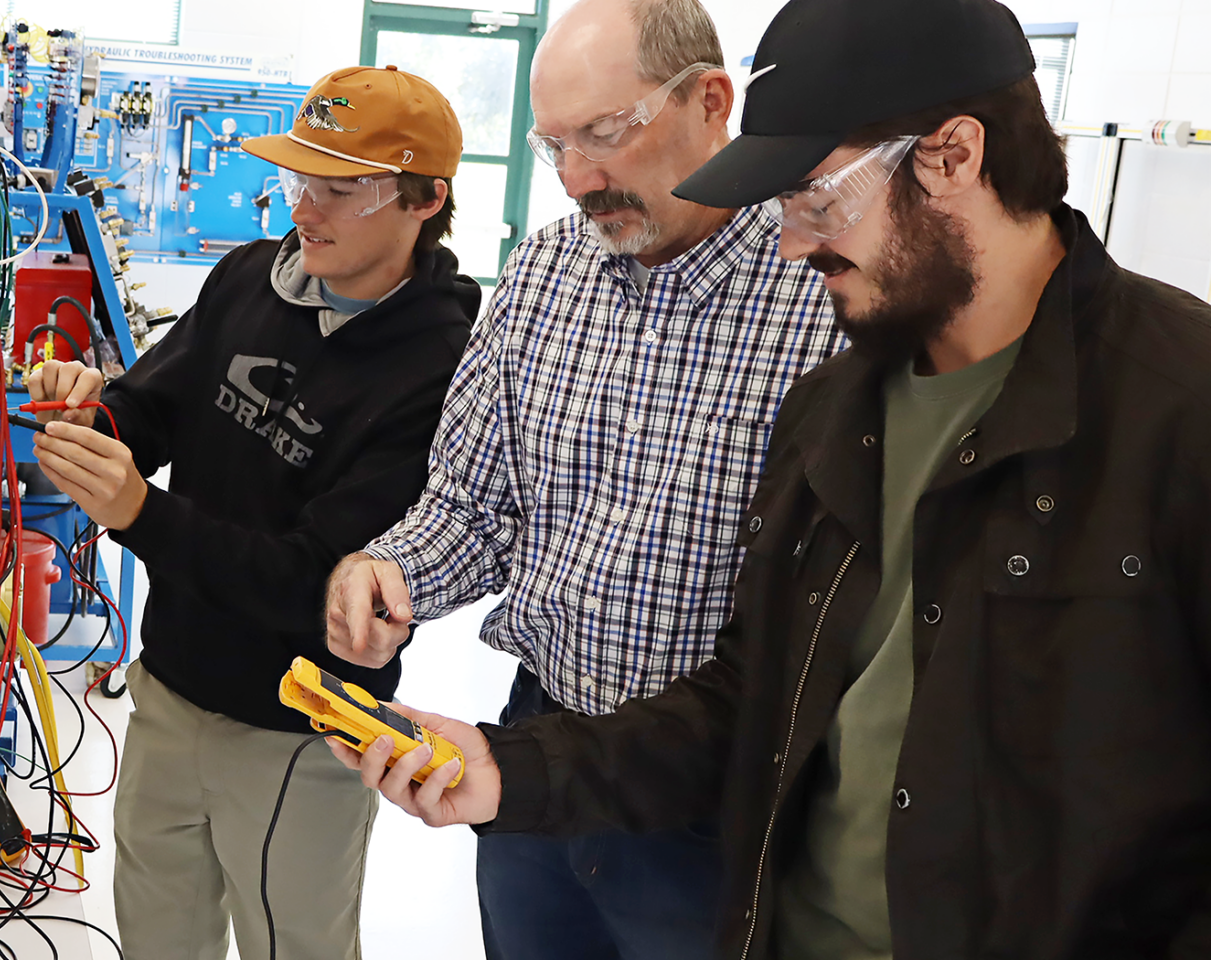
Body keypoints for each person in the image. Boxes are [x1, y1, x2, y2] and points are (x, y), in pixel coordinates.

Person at [334, 0, 1211, 956]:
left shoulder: (1169, 407)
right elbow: (756, 693)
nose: (791, 244)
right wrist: (511, 768)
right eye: (556, 147)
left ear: (954, 155)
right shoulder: (843, 404)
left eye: (817, 200)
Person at [321, 1, 842, 957]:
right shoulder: (546, 273)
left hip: (717, 797)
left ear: (711, 101)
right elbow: (474, 503)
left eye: (604, 133)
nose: (576, 180)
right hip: (537, 752)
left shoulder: (824, 292)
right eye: (553, 145)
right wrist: (391, 571)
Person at [23, 66, 475, 960]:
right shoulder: (250, 278)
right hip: (170, 688)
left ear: (424, 201)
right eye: (299, 178)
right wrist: (92, 417)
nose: (305, 208)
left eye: (340, 189)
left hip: (300, 731)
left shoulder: (442, 368)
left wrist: (140, 513)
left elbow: (316, 581)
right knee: (156, 937)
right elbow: (153, 409)